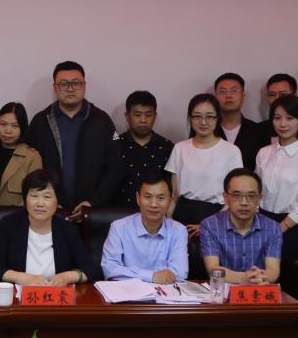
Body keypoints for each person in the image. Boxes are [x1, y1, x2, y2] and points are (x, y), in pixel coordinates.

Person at [25, 61, 121, 221]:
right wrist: (47, 200)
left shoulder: (102, 121)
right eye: (64, 84)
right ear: (55, 88)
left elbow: (115, 167)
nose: (70, 89)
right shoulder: (41, 121)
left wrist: (93, 201)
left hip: (92, 212)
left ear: (84, 86)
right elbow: (27, 167)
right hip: (50, 213)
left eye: (76, 83)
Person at [165, 94, 243, 277]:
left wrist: (208, 225)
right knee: (179, 272)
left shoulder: (231, 151)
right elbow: (174, 195)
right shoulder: (180, 148)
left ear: (217, 118)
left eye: (209, 116)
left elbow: (235, 197)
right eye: (197, 116)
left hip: (217, 217)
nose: (203, 122)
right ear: (190, 118)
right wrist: (166, 224)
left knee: (211, 275)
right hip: (182, 218)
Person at [0, 169, 101, 285]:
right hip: (19, 294)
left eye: (47, 197)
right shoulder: (9, 225)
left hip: (55, 294)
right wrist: (23, 278)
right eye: (34, 196)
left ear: (57, 202)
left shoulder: (67, 230)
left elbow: (91, 270)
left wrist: (66, 277)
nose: (40, 203)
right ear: (25, 200)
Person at [254, 95, 298, 258]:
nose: (283, 124)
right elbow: (255, 191)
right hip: (260, 223)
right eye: (277, 118)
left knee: (288, 271)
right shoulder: (264, 152)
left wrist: (279, 229)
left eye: (290, 118)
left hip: (290, 227)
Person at [101, 171, 188, 283]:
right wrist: (152, 276)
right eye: (147, 197)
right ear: (138, 198)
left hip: (165, 292)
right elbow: (110, 269)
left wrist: (136, 275)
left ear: (170, 201)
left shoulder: (179, 231)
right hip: (128, 292)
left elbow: (180, 273)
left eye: (161, 198)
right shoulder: (118, 228)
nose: (153, 204)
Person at [200, 168, 282, 285]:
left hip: (259, 289)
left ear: (259, 199)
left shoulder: (273, 228)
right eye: (236, 195)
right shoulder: (209, 225)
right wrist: (244, 279)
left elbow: (273, 270)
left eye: (251, 196)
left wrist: (259, 278)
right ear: (226, 198)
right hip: (223, 290)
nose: (244, 202)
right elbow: (213, 270)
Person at [115, 91, 174, 207]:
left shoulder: (167, 147)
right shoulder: (115, 145)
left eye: (148, 115)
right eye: (137, 115)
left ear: (155, 116)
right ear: (127, 116)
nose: (143, 120)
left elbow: (172, 188)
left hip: (156, 212)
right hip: (119, 212)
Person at [0, 102, 42, 207]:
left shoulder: (32, 157)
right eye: (3, 124)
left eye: (15, 126)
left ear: (22, 128)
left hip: (14, 216)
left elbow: (34, 197)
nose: (8, 131)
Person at [256, 73, 298, 153]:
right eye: (272, 95)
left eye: (283, 94)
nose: (277, 99)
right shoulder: (259, 129)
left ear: (294, 96)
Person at [214, 73, 263, 169]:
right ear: (215, 97)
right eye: (222, 91)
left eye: (234, 90)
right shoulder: (207, 130)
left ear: (243, 96)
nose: (228, 95)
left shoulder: (258, 131)